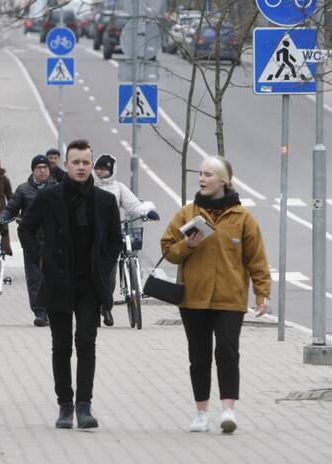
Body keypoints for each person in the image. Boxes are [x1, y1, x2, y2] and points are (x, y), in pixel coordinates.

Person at [159, 157, 270, 434]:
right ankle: (200, 413)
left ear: (224, 180)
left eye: (209, 174)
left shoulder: (243, 218)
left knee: (227, 352)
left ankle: (228, 410)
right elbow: (168, 251)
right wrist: (187, 245)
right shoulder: (187, 214)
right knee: (199, 356)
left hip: (230, 298)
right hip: (193, 298)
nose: (202, 179)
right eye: (200, 174)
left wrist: (261, 292)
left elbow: (256, 259)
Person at [20, 139, 121, 430]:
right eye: (75, 162)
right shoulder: (50, 197)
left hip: (90, 284)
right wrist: (40, 257)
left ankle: (84, 405)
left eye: (86, 163)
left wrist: (104, 264)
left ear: (92, 165)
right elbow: (26, 227)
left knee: (86, 343)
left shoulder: (104, 201)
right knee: (61, 346)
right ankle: (65, 404)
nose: (81, 167)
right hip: (58, 282)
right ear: (65, 165)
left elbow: (114, 240)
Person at [92, 153, 161, 326]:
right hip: (91, 236)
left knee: (110, 275)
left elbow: (133, 205)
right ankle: (92, 309)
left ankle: (106, 308)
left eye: (105, 169)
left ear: (112, 170)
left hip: (111, 236)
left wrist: (146, 212)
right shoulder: (89, 185)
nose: (100, 172)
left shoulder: (118, 188)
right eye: (98, 168)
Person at [0, 155, 59, 327]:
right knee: (34, 278)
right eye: (38, 167)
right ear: (33, 170)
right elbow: (10, 208)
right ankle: (40, 312)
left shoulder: (58, 188)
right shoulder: (23, 189)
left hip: (53, 240)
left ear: (49, 170)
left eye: (45, 167)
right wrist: (1, 220)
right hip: (31, 239)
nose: (42, 170)